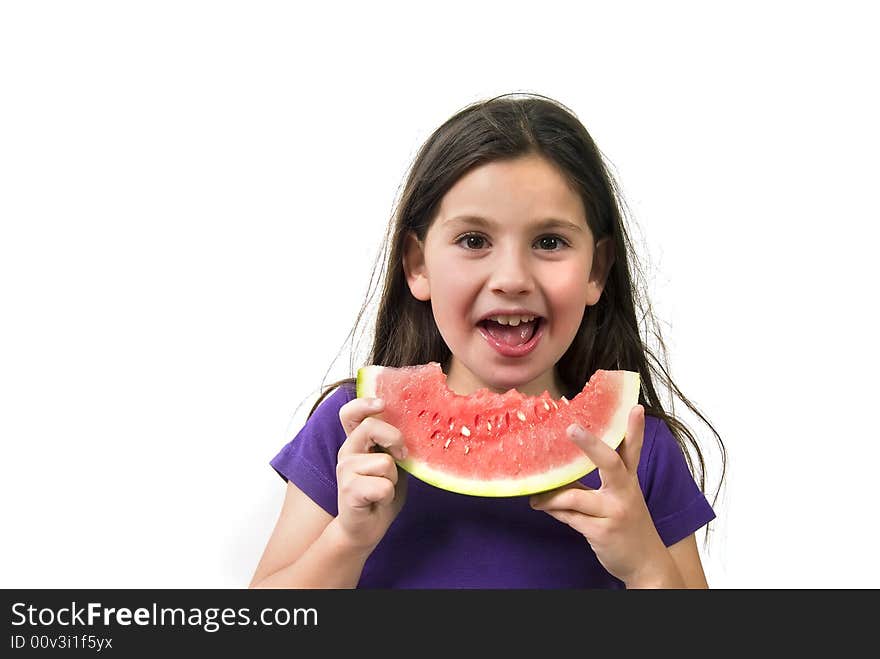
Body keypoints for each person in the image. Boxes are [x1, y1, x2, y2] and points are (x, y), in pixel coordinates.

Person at [250, 92, 727, 589]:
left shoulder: (637, 447)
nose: (512, 278)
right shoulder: (358, 428)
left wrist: (645, 564)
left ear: (596, 270)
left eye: (549, 242)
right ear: (417, 265)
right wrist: (346, 539)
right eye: (474, 241)